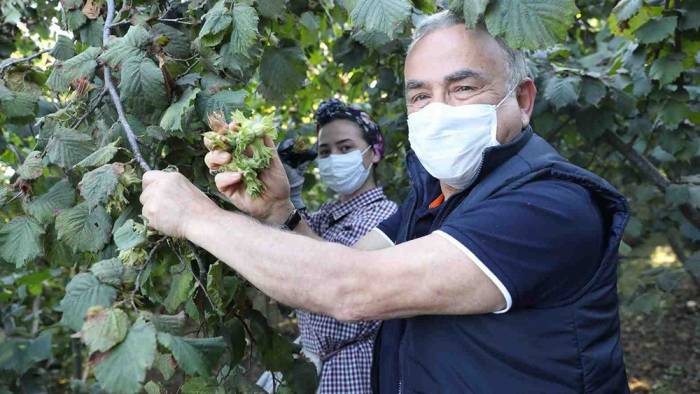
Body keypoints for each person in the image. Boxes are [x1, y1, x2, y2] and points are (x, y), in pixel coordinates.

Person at [140, 11, 630, 393]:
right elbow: (342, 272)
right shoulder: (433, 201)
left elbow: (353, 291)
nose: (437, 111)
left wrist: (195, 217)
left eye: (462, 88)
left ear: (522, 100)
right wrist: (278, 212)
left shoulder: (549, 205)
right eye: (420, 96)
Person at [258, 99, 397, 393]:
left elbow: (330, 274)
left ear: (374, 153)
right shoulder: (323, 217)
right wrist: (289, 190)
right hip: (311, 367)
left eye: (345, 148)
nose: (333, 158)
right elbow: (283, 255)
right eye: (324, 151)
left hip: (355, 372)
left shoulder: (387, 217)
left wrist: (287, 207)